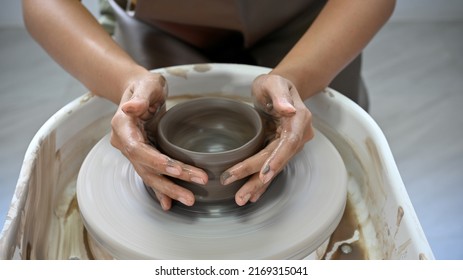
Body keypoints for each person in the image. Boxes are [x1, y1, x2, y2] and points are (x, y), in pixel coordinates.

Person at [22, 0, 396, 211]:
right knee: (136, 131)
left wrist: (298, 77)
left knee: (336, 168)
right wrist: (126, 81)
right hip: (159, 22)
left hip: (306, 22)